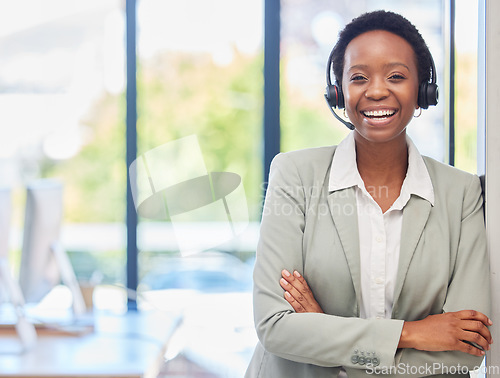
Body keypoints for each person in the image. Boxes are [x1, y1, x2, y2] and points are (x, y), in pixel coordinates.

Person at [245, 10, 491, 378]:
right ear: (338, 91)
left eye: (396, 76)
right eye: (359, 77)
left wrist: (324, 332)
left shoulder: (462, 194)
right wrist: (414, 333)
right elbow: (275, 327)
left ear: (423, 89)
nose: (376, 90)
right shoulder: (294, 176)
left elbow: (467, 350)